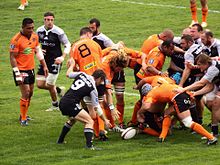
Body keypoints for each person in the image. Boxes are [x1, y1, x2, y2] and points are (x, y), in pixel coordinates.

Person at [135, 76, 217, 145]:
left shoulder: (151, 93)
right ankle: (161, 137)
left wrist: (139, 113)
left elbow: (147, 106)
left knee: (188, 122)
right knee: (167, 113)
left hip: (178, 98)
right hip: (184, 93)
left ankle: (211, 138)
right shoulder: (161, 82)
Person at [57, 63, 111, 150]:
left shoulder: (82, 74)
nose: (100, 83)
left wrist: (72, 65)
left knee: (73, 120)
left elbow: (68, 74)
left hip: (63, 101)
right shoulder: (93, 89)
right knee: (89, 121)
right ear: (99, 79)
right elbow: (97, 107)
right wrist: (105, 120)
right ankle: (89, 146)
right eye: (101, 81)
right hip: (71, 104)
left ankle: (60, 140)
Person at [89, 18, 127, 129]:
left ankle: (115, 123)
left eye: (93, 27)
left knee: (118, 96)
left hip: (104, 72)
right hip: (100, 74)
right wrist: (111, 107)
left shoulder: (106, 42)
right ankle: (106, 126)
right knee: (101, 102)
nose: (91, 30)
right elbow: (108, 91)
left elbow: (114, 47)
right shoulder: (107, 69)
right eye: (90, 28)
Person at [9, 18, 48, 126]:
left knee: (30, 93)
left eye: (32, 28)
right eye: (28, 28)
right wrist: (17, 74)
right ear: (22, 27)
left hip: (31, 68)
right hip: (21, 70)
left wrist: (44, 66)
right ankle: (23, 119)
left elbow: (38, 51)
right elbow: (12, 57)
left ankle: (23, 114)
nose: (31, 30)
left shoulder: (35, 36)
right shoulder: (16, 40)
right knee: (25, 93)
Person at [128, 40, 175, 127]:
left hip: (147, 78)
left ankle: (136, 120)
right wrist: (160, 73)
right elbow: (149, 68)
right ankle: (142, 122)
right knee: (146, 101)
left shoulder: (160, 49)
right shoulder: (157, 55)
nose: (172, 52)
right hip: (145, 79)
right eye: (171, 50)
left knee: (145, 100)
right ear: (165, 47)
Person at [177, 53, 220, 137]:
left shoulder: (213, 69)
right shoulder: (209, 66)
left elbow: (201, 83)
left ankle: (214, 132)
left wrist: (183, 89)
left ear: (206, 63)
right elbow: (209, 86)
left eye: (200, 65)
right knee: (211, 103)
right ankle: (214, 132)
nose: (199, 67)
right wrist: (195, 93)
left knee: (215, 103)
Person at [36, 12, 71, 111]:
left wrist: (63, 57)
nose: (49, 22)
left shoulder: (58, 31)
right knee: (39, 85)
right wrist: (38, 49)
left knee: (50, 85)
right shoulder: (39, 30)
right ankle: (59, 90)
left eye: (51, 20)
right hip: (44, 61)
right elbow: (34, 43)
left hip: (56, 61)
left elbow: (68, 44)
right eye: (47, 19)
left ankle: (55, 105)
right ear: (44, 20)